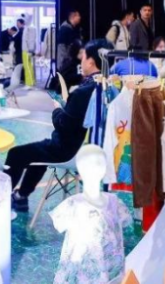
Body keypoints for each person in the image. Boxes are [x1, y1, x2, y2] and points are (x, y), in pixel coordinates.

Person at [6, 41, 101, 212]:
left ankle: (2, 198)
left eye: (84, 57)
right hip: (84, 148)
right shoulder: (102, 87)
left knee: (16, 154)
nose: (81, 61)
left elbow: (63, 124)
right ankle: (21, 196)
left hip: (65, 150)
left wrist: (57, 109)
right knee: (36, 155)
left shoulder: (82, 92)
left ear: (91, 61)